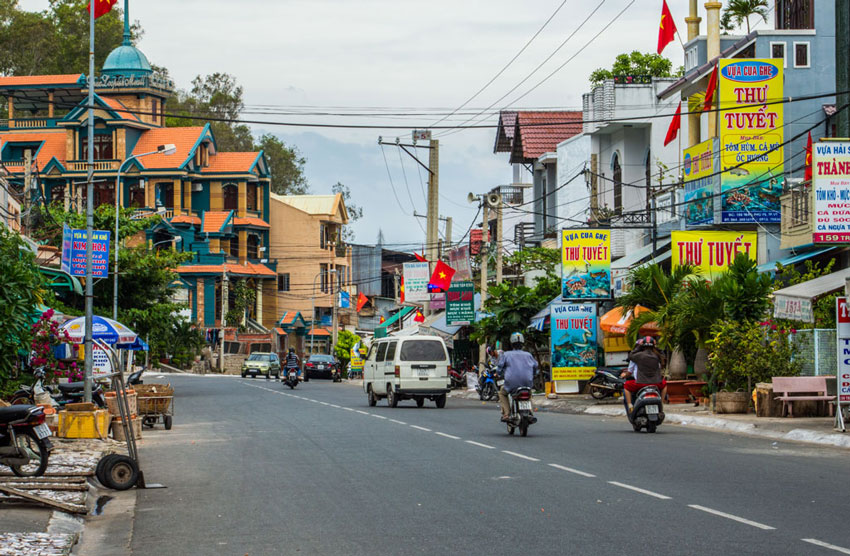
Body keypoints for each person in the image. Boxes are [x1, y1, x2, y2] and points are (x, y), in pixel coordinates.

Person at [496, 332, 539, 422]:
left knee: (502, 393)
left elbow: (499, 367)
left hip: (511, 383)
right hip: (527, 382)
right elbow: (535, 367)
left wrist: (499, 374)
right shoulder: (528, 355)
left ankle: (507, 414)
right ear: (522, 344)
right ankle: (530, 412)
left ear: (512, 344)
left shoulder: (506, 354)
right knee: (529, 394)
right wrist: (533, 375)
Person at [621, 336, 666, 413]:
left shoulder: (638, 356)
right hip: (656, 383)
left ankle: (630, 405)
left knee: (626, 386)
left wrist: (639, 346)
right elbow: (663, 355)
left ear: (642, 346)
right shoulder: (657, 356)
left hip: (641, 383)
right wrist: (656, 347)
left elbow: (631, 355)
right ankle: (661, 402)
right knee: (664, 384)